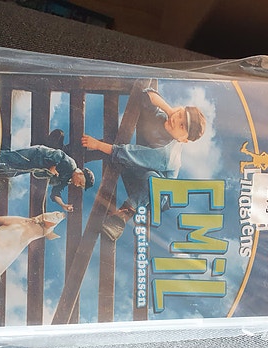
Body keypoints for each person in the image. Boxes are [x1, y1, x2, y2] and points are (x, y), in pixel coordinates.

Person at [81, 88, 206, 240]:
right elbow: (147, 96)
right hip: (139, 170)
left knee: (148, 176)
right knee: (114, 146)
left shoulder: (166, 155)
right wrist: (169, 109)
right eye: (180, 114)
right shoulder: (163, 118)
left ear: (183, 140)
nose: (176, 120)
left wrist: (98, 145)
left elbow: (129, 154)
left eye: (182, 126)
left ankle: (120, 219)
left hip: (153, 197)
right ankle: (73, 154)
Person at [0, 130, 95, 212]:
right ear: (80, 173)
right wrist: (54, 166)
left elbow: (56, 193)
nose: (77, 185)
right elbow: (58, 154)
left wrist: (63, 205)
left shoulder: (67, 180)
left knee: (12, 171)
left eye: (80, 186)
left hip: (34, 166)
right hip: (36, 155)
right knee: (11, 158)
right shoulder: (71, 164)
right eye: (80, 183)